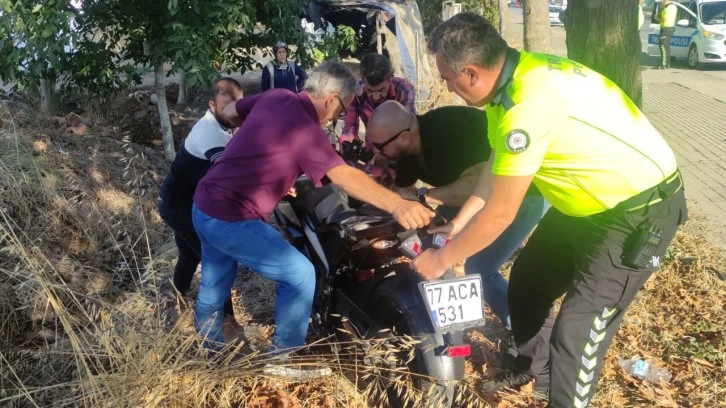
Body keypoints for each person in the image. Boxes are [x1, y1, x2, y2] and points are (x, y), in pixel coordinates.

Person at [417, 13, 687, 407]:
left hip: (637, 211)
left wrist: (441, 260)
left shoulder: (527, 105)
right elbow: (497, 169)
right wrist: (459, 222)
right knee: (527, 287)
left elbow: (501, 215)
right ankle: (534, 371)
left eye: (447, 78)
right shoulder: (510, 83)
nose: (446, 86)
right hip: (583, 206)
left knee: (576, 334)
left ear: (471, 72)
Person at [192, 61, 434, 352]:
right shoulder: (307, 130)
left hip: (203, 204)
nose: (338, 117)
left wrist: (264, 155)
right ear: (331, 99)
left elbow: (231, 113)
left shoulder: (277, 97)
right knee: (300, 275)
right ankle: (283, 357)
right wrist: (397, 205)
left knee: (213, 285)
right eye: (342, 110)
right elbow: (343, 175)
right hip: (231, 217)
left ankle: (209, 346)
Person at [366, 100, 549, 366]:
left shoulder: (446, 129)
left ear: (404, 137)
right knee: (432, 239)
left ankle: (522, 332)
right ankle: (443, 324)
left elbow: (477, 187)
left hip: (522, 195)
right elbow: (401, 196)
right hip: (479, 200)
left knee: (480, 267)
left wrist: (424, 195)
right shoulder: (406, 155)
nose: (375, 152)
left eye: (379, 146)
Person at [157, 77, 244, 342]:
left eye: (238, 107)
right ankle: (227, 321)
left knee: (189, 255)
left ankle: (176, 298)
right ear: (212, 106)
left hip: (193, 201)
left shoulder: (228, 124)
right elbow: (230, 172)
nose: (233, 113)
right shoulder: (208, 132)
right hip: (176, 205)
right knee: (215, 258)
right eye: (227, 107)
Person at [339, 53, 415, 148]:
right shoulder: (356, 93)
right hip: (372, 149)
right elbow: (350, 128)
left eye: (381, 90)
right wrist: (347, 146)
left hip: (400, 149)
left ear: (390, 78)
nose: (376, 97)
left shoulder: (404, 90)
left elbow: (410, 129)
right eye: (370, 90)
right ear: (362, 79)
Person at [657, 0, 678, 69]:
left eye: (662, 1)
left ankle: (663, 64)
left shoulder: (669, 8)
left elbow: (664, 19)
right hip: (668, 28)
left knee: (663, 47)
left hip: (666, 29)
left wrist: (657, 18)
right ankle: (667, 64)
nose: (661, 2)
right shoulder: (672, 7)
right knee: (666, 47)